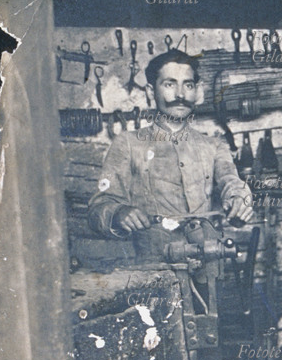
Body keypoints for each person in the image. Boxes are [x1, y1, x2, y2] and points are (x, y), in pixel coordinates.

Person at [88, 49, 253, 261]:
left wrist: (239, 200)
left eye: (188, 85)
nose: (180, 95)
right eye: (169, 84)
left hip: (209, 270)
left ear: (197, 91)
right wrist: (118, 213)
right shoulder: (127, 144)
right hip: (155, 272)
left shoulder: (214, 145)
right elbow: (97, 210)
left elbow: (232, 183)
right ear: (150, 92)